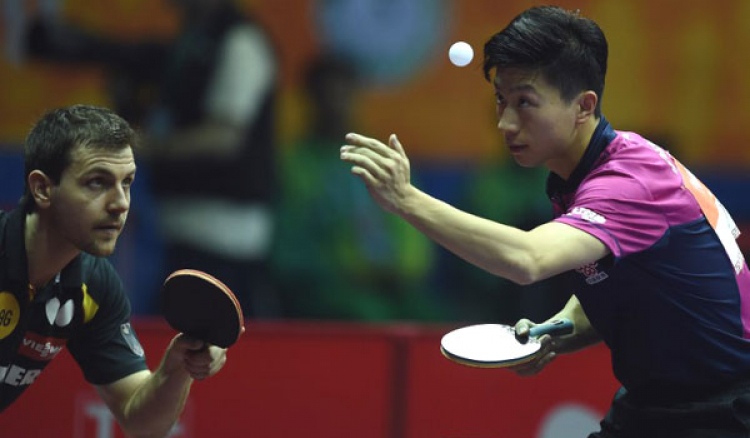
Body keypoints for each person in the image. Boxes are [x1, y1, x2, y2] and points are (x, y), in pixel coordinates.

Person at [340, 6, 750, 437]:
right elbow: (612, 275)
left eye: (525, 102)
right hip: (653, 404)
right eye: (501, 99)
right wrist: (555, 332)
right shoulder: (581, 175)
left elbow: (527, 259)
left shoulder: (629, 184)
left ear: (583, 106)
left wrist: (406, 200)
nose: (505, 122)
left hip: (723, 413)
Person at [26, 0, 279, 317]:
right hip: (173, 227)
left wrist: (142, 144)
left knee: (205, 349)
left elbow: (223, 137)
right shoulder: (188, 43)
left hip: (224, 237)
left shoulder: (239, 41)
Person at [0, 105, 230, 437]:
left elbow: (142, 423)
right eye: (97, 182)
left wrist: (177, 368)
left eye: (127, 183)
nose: (120, 202)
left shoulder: (95, 287)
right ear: (42, 189)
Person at [272, 55, 436, 320]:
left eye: (343, 95)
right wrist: (353, 272)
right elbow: (291, 249)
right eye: (327, 97)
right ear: (310, 100)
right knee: (369, 315)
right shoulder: (294, 164)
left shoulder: (383, 156)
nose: (335, 106)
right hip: (329, 288)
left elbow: (415, 223)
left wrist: (402, 270)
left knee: (434, 320)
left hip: (396, 286)